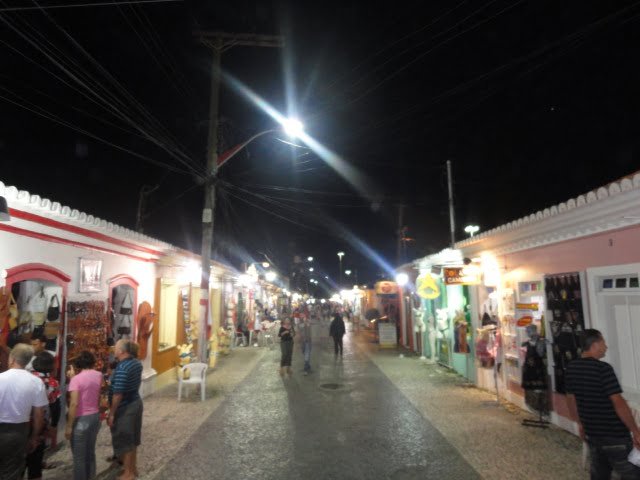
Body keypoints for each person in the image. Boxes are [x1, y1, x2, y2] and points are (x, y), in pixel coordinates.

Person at [565, 329, 640, 479]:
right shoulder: (603, 369)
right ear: (595, 344)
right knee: (631, 474)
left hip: (593, 433)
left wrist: (580, 423)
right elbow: (618, 402)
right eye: (603, 343)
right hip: (614, 434)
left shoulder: (571, 368)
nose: (606, 347)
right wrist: (635, 431)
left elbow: (570, 400)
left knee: (600, 474)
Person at [0, 344, 48, 480]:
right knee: (12, 471)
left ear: (12, 358)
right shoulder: (36, 382)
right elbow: (39, 415)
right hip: (18, 431)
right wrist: (34, 437)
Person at [108, 340, 143, 480]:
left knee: (126, 440)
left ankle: (128, 473)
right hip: (135, 402)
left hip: (125, 407)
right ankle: (133, 469)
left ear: (122, 351)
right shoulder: (136, 363)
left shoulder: (123, 367)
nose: (113, 349)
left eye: (116, 347)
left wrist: (111, 413)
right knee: (133, 439)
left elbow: (118, 394)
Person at [66, 351, 102, 480]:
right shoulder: (99, 375)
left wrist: (69, 426)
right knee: (90, 452)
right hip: (95, 416)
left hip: (81, 419)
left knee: (79, 457)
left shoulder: (76, 380)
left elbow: (74, 403)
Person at [25, 351, 61, 480]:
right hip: (40, 425)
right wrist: (54, 425)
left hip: (21, 422)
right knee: (35, 462)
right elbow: (55, 406)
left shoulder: (27, 377)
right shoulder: (52, 383)